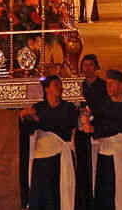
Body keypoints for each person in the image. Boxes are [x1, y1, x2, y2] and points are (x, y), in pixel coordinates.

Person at [20, 75, 79, 210]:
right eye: (56, 85)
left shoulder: (68, 107)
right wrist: (23, 117)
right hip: (42, 158)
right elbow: (29, 129)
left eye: (60, 85)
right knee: (41, 195)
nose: (60, 88)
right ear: (47, 89)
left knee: (58, 195)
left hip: (59, 156)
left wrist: (39, 120)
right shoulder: (39, 107)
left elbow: (65, 128)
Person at [90, 69, 122, 210]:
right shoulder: (103, 104)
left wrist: (100, 129)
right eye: (107, 84)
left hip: (121, 154)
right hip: (105, 155)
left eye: (112, 84)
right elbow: (97, 124)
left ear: (121, 85)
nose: (108, 87)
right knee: (105, 193)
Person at [76, 55, 107, 210]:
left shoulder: (102, 86)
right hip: (81, 132)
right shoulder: (78, 85)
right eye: (84, 65)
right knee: (82, 165)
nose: (87, 68)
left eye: (90, 65)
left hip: (96, 130)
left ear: (96, 67)